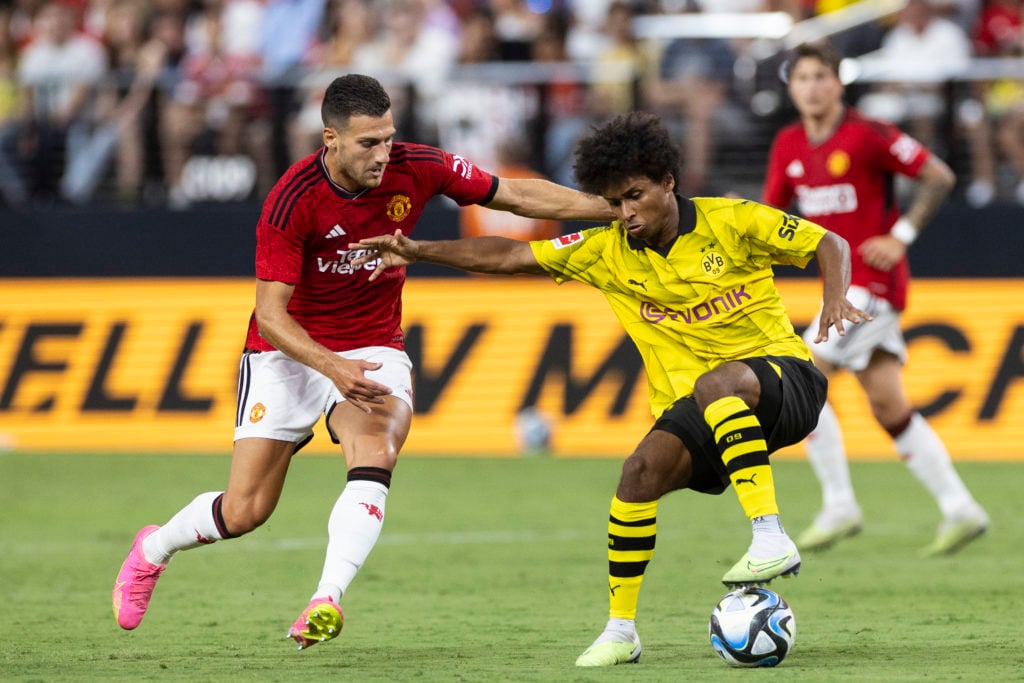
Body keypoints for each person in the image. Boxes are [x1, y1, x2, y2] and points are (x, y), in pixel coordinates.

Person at [111, 73, 614, 649]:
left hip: (373, 343)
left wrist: (609, 208)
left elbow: (514, 194)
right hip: (288, 351)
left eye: (388, 139)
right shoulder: (291, 200)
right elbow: (271, 315)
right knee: (246, 510)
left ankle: (325, 599)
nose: (383, 155)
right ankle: (152, 550)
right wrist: (329, 366)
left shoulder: (416, 165)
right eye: (368, 144)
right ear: (330, 138)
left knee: (376, 448)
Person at [350, 110, 868, 667]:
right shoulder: (606, 248)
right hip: (705, 405)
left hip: (785, 382)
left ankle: (769, 533)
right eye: (615, 201)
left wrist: (833, 297)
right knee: (637, 476)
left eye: (636, 196)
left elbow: (829, 241)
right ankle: (622, 631)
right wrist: (419, 250)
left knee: (720, 381)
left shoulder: (731, 219)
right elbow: (513, 256)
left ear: (668, 182)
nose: (626, 213)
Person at [762, 43, 990, 556]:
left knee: (802, 378)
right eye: (803, 78)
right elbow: (771, 215)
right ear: (791, 88)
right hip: (839, 287)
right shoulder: (789, 144)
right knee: (889, 405)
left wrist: (901, 234)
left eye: (822, 76)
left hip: (872, 284)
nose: (813, 87)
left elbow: (939, 175)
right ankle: (960, 508)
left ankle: (839, 503)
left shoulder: (867, 135)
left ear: (838, 84)